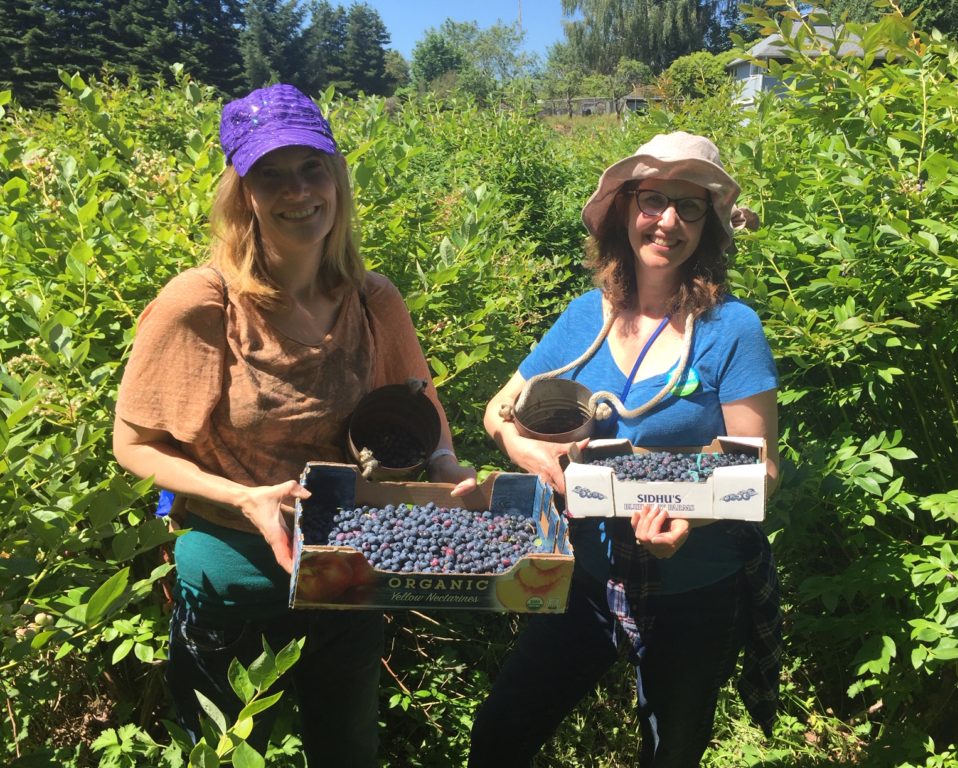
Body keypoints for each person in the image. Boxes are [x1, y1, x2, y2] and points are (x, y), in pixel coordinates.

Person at [113, 83, 476, 766]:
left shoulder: (373, 299)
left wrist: (446, 466)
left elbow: (420, 409)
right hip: (234, 582)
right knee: (221, 753)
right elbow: (133, 443)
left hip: (348, 572)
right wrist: (243, 498)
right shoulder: (204, 302)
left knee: (347, 749)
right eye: (270, 174)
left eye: (312, 167)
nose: (297, 190)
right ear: (242, 193)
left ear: (336, 178)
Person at [470, 132, 781, 767]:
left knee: (671, 752)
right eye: (653, 199)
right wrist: (529, 453)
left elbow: (761, 469)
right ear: (625, 208)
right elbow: (498, 410)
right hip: (587, 578)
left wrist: (689, 517)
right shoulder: (587, 316)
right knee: (501, 730)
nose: (668, 220)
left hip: (693, 588)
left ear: (709, 226)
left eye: (690, 206)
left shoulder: (732, 329)